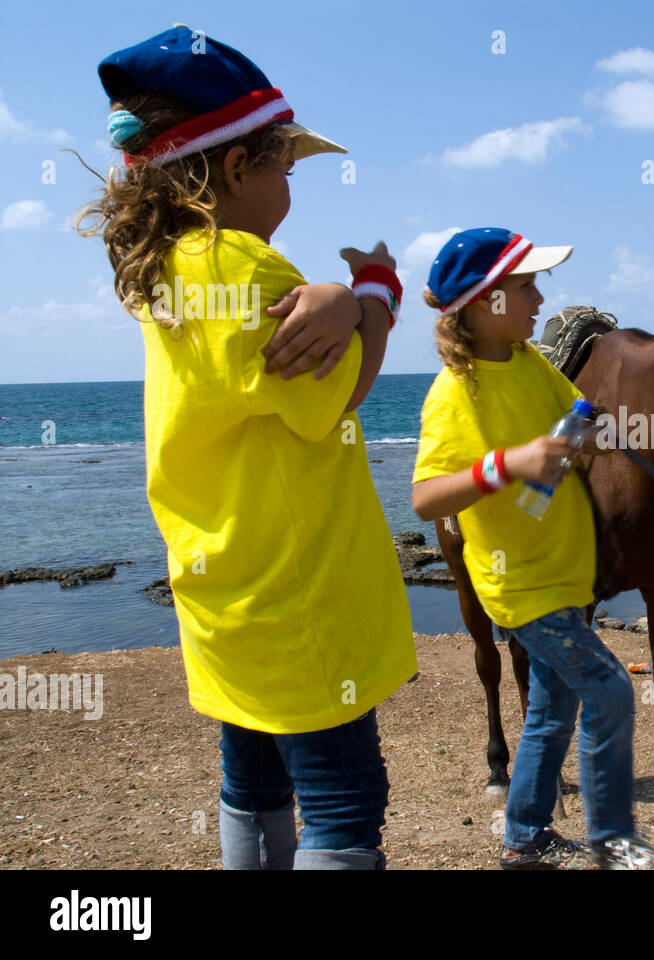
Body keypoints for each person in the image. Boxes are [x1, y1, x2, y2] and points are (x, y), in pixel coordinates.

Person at [79, 26, 417, 870]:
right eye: (286, 169)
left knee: (255, 784)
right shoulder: (239, 264)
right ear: (235, 168)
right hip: (301, 607)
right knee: (342, 806)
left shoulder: (168, 269)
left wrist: (336, 294)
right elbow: (342, 385)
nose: (290, 191)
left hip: (228, 600)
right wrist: (374, 291)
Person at [411, 228, 654, 869]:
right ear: (483, 302)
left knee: (552, 713)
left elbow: (576, 417)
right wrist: (510, 463)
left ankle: (524, 838)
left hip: (564, 576)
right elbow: (427, 497)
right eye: (525, 286)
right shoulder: (457, 393)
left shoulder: (530, 363)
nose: (539, 299)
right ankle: (612, 840)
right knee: (611, 691)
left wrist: (586, 434)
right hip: (522, 586)